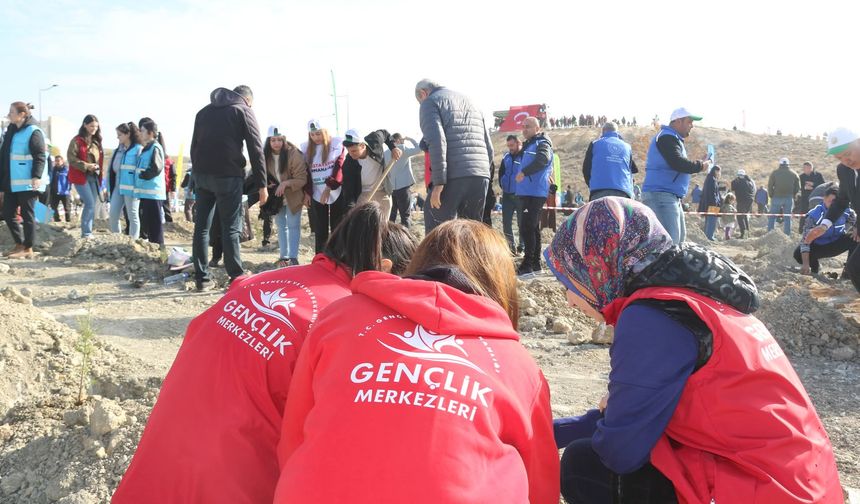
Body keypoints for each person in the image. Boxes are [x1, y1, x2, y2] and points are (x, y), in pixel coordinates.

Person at [112, 203, 418, 504]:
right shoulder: (346, 319)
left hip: (160, 462)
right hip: (235, 480)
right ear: (387, 270)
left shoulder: (263, 280)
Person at [544, 197, 843, 504]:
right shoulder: (695, 297)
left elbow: (619, 451)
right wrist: (551, 431)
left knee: (585, 464)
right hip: (803, 484)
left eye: (571, 279)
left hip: (766, 488)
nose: (569, 298)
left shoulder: (650, 316)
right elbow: (632, 422)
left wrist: (611, 417)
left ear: (599, 264)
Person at [273, 219, 559, 504]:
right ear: (499, 283)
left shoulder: (339, 316)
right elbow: (541, 485)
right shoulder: (519, 367)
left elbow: (294, 436)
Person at [190, 85, 267, 291]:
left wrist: (195, 177)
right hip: (228, 177)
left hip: (202, 176)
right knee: (231, 227)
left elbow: (194, 146)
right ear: (248, 100)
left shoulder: (203, 112)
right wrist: (262, 184)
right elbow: (256, 149)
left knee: (202, 227)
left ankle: (202, 278)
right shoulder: (243, 110)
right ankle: (236, 276)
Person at [415, 79, 493, 231]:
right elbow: (488, 146)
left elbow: (437, 143)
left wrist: (438, 183)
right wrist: (484, 173)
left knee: (437, 232)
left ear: (423, 93)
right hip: (480, 174)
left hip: (453, 175)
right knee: (472, 233)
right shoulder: (472, 102)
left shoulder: (430, 102)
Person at [641, 108, 711, 244]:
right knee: (670, 244)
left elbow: (678, 162)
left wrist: (699, 163)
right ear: (678, 121)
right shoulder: (667, 137)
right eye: (689, 122)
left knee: (678, 241)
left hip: (667, 195)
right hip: (661, 195)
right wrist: (700, 166)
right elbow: (678, 163)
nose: (692, 125)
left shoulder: (671, 138)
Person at [806, 127, 860, 292]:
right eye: (839, 157)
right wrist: (824, 225)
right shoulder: (844, 170)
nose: (846, 160)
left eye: (848, 153)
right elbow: (842, 200)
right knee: (854, 268)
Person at [1, 102, 48, 259]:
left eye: (12, 111)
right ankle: (20, 244)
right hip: (11, 183)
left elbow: (40, 155)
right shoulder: (11, 131)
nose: (9, 114)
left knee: (28, 216)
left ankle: (28, 248)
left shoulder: (34, 131)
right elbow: (4, 156)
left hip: (28, 182)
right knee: (8, 213)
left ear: (22, 114)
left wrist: (36, 176)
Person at [263, 126, 308, 268]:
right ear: (268, 141)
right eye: (273, 140)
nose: (276, 143)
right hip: (277, 196)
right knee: (281, 225)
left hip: (293, 194)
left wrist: (286, 183)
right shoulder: (265, 155)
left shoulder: (293, 154)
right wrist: (267, 184)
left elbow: (302, 179)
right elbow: (261, 174)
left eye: (279, 140)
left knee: (293, 225)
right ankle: (284, 256)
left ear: (284, 140)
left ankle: (293, 258)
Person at [515, 116, 554, 277]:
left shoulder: (542, 143)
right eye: (523, 126)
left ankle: (527, 265)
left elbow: (543, 160)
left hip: (535, 191)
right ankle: (536, 263)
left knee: (527, 227)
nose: (524, 129)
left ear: (537, 129)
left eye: (528, 126)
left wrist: (525, 172)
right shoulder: (529, 144)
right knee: (532, 227)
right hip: (527, 191)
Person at [302, 119, 346, 253]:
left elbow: (339, 167)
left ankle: (337, 257)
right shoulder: (307, 150)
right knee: (320, 229)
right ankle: (320, 258)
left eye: (319, 134)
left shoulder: (337, 145)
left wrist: (329, 187)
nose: (316, 137)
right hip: (316, 193)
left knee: (336, 227)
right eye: (313, 134)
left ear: (325, 132)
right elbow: (307, 173)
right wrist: (307, 192)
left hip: (335, 191)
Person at [796, 186, 857, 276]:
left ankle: (848, 271)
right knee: (797, 254)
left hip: (837, 243)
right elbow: (805, 242)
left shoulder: (847, 211)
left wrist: (856, 228)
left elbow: (855, 221)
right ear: (824, 198)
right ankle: (814, 268)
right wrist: (805, 264)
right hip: (819, 246)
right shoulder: (814, 215)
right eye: (830, 201)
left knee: (857, 237)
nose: (833, 206)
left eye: (835, 203)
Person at [340, 128, 401, 218]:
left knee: (383, 226)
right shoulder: (348, 164)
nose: (351, 154)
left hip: (382, 192)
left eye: (354, 151)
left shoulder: (375, 140)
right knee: (364, 227)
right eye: (348, 151)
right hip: (363, 195)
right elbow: (348, 189)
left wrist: (393, 148)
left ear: (362, 146)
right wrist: (351, 209)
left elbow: (385, 133)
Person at [67, 114, 104, 239]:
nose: (94, 128)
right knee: (89, 203)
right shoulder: (76, 140)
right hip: (80, 176)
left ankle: (89, 230)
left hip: (94, 176)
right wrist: (87, 166)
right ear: (85, 125)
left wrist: (97, 168)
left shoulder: (96, 141)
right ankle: (86, 233)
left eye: (96, 126)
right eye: (91, 125)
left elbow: (100, 160)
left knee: (93, 203)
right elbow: (71, 159)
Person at [583, 122, 638, 200]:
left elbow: (586, 169)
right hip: (624, 191)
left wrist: (592, 185)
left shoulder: (594, 144)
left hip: (599, 191)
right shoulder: (627, 147)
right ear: (617, 132)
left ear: (603, 131)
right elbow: (631, 170)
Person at [107, 122, 143, 239]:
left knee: (132, 215)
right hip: (118, 187)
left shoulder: (138, 149)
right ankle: (117, 239)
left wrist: (138, 188)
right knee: (113, 214)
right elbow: (111, 171)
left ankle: (133, 241)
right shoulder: (117, 151)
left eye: (120, 135)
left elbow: (140, 170)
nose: (118, 137)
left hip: (131, 188)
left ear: (128, 134)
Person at [134, 119, 165, 246]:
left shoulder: (155, 148)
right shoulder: (147, 148)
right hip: (146, 193)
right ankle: (154, 254)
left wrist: (143, 175)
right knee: (149, 227)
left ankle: (161, 256)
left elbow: (156, 167)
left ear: (151, 133)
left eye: (142, 131)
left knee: (156, 228)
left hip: (153, 194)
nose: (140, 133)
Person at [386, 133, 422, 227]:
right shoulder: (402, 148)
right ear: (398, 140)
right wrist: (410, 139)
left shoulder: (386, 152)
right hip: (403, 188)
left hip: (391, 189)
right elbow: (419, 148)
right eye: (402, 140)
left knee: (391, 217)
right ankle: (406, 239)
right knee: (405, 217)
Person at [498, 134, 524, 254]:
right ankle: (511, 248)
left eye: (512, 145)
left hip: (520, 195)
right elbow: (501, 172)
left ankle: (522, 246)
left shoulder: (524, 156)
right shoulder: (506, 157)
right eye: (508, 146)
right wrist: (501, 184)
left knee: (521, 223)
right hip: (507, 195)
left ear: (518, 143)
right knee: (506, 223)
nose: (510, 148)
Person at [767, 157, 800, 235]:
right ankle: (787, 235)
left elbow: (770, 185)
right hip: (788, 198)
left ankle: (769, 234)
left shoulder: (774, 173)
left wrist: (771, 195)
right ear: (788, 164)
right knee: (787, 218)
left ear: (780, 164)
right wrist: (793, 194)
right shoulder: (794, 173)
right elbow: (798, 187)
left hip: (776, 197)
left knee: (772, 217)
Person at [797, 161, 825, 232]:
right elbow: (798, 187)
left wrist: (813, 185)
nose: (804, 170)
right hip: (805, 199)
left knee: (817, 214)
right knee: (804, 214)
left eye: (805, 168)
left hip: (817, 199)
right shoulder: (801, 177)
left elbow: (823, 185)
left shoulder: (818, 175)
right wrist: (804, 187)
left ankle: (817, 229)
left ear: (810, 168)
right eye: (803, 168)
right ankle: (801, 230)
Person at [698, 165, 722, 241]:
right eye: (719, 171)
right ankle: (709, 236)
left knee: (709, 221)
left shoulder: (710, 179)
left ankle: (708, 236)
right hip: (712, 204)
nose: (719, 173)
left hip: (709, 203)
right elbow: (712, 193)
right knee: (712, 221)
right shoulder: (712, 180)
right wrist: (715, 203)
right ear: (716, 171)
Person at [730, 169, 756, 238]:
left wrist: (735, 180)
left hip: (742, 201)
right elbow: (753, 190)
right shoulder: (749, 181)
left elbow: (732, 187)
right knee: (744, 216)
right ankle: (747, 233)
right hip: (749, 201)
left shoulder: (738, 182)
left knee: (740, 217)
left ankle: (743, 234)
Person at [50, 155, 72, 222]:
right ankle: (57, 220)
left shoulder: (66, 170)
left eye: (58, 161)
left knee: (67, 208)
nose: (57, 162)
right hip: (54, 192)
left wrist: (68, 189)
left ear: (62, 161)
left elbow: (70, 180)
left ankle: (68, 221)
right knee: (53, 208)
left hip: (64, 192)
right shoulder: (52, 170)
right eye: (56, 161)